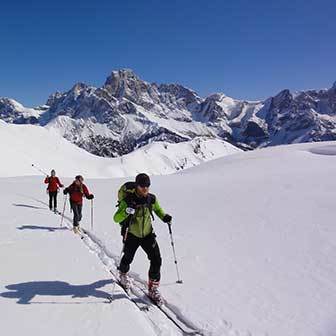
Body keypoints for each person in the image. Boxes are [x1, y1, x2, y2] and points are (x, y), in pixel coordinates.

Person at [113, 173, 172, 304]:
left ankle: (153, 288)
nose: (145, 188)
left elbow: (158, 210)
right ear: (136, 186)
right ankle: (122, 274)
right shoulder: (128, 200)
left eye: (147, 186)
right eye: (142, 186)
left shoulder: (151, 199)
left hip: (147, 234)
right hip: (132, 234)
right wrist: (126, 211)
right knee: (128, 257)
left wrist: (164, 217)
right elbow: (116, 218)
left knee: (156, 259)